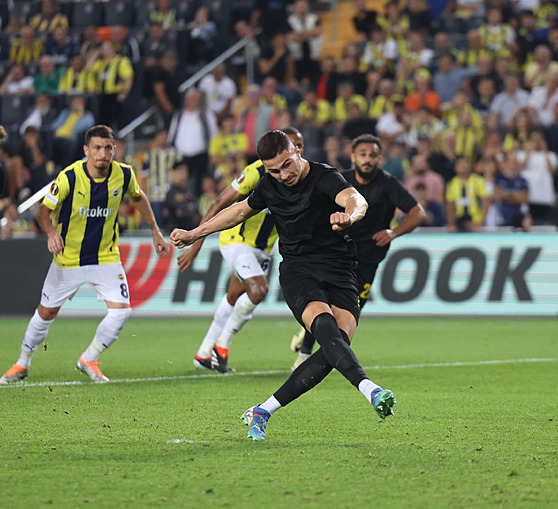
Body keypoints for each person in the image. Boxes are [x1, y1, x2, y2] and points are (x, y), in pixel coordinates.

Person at [170, 130, 396, 440]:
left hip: (341, 269)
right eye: (274, 170)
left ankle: (262, 410)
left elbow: (355, 199)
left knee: (337, 346)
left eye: (287, 165)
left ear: (297, 151)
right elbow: (237, 211)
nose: (283, 175)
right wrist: (196, 233)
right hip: (299, 271)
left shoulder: (323, 176)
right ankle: (370, 390)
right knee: (327, 331)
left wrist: (350, 216)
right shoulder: (269, 184)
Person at [0, 125, 170, 384]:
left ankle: (89, 358)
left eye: (108, 148)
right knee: (45, 314)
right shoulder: (69, 177)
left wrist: (155, 230)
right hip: (69, 259)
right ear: (86, 150)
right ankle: (22, 362)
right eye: (97, 148)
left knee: (122, 311)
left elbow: (138, 197)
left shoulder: (124, 174)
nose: (103, 153)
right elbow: (43, 212)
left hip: (105, 257)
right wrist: (52, 234)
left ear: (114, 150)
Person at [289, 134, 426, 368]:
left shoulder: (388, 184)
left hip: (367, 259)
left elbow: (417, 213)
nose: (367, 159)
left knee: (351, 310)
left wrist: (393, 232)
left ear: (379, 158)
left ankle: (328, 349)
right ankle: (304, 355)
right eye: (362, 154)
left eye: (373, 155)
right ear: (353, 156)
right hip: (337, 254)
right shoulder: (341, 180)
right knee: (322, 300)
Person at [179, 129, 301, 373]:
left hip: (263, 249)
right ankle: (221, 346)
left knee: (233, 298)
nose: (299, 150)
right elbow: (218, 203)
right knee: (259, 290)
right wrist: (196, 245)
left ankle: (203, 353)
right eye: (294, 144)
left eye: (301, 145)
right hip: (237, 241)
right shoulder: (256, 172)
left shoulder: (300, 177)